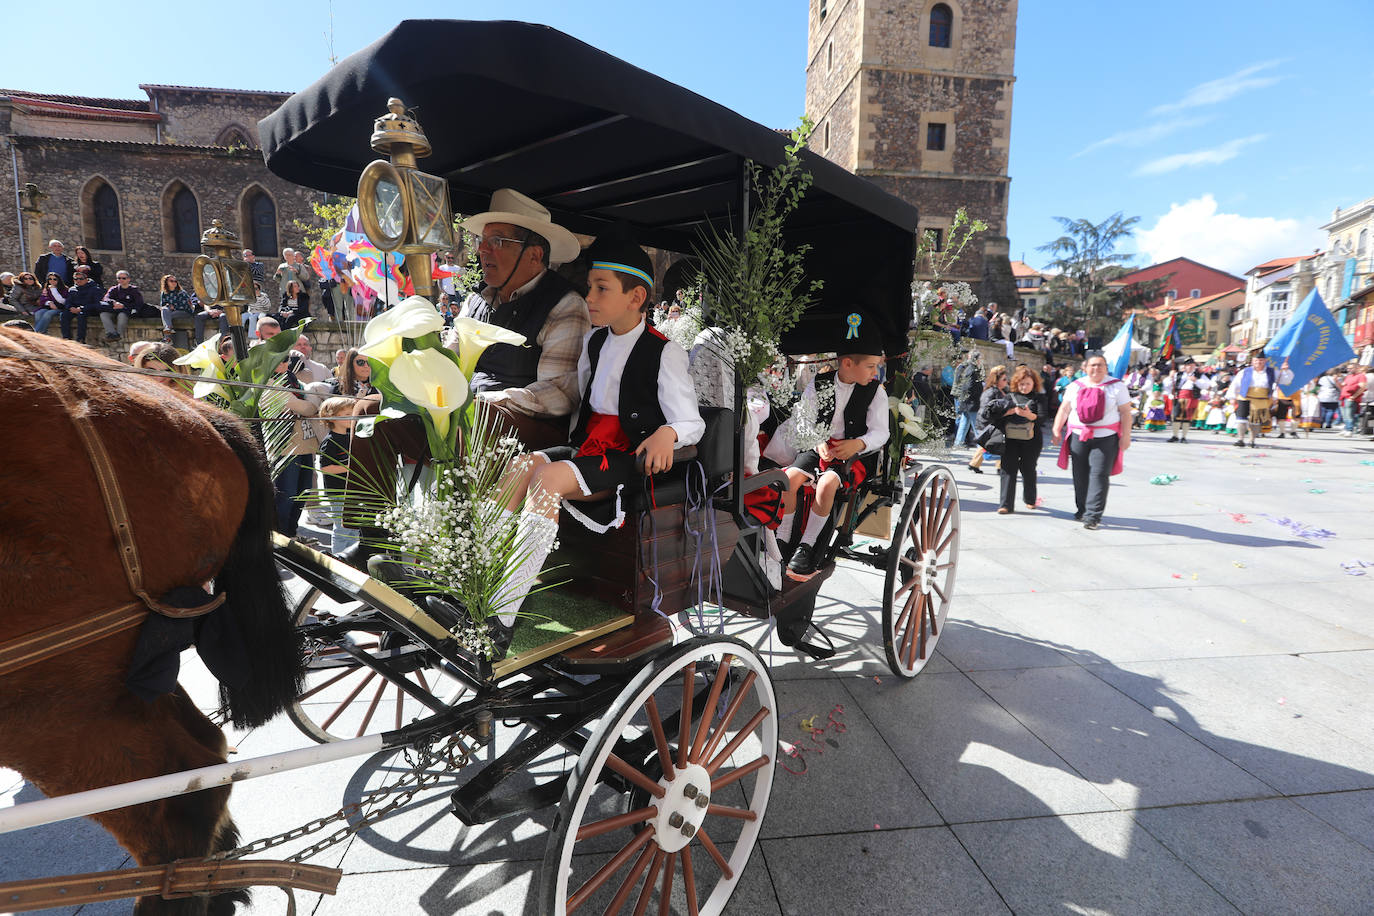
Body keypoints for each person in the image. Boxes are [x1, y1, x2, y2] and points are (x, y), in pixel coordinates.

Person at [491, 228, 702, 652]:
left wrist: (668, 431)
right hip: (587, 447)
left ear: (636, 298)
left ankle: (503, 611)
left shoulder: (664, 352)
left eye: (601, 288)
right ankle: (476, 575)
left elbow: (691, 421)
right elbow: (585, 399)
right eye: (590, 286)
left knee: (548, 479)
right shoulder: (594, 341)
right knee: (518, 466)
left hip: (625, 456)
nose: (589, 296)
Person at [776, 312, 888, 575]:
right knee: (788, 480)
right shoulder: (820, 383)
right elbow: (802, 417)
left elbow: (880, 432)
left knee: (826, 484)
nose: (875, 372)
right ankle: (782, 538)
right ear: (848, 363)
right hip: (819, 448)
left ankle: (807, 545)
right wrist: (817, 441)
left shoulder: (875, 392)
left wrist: (858, 444)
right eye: (871, 366)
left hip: (850, 457)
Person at [1052, 354, 1132, 530]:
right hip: (1078, 436)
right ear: (1085, 368)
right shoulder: (1075, 386)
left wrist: (1126, 436)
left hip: (1106, 438)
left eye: (1100, 365)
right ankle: (1082, 509)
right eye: (1093, 365)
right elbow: (1064, 409)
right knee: (1079, 475)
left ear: (1106, 367)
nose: (1096, 369)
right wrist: (1057, 428)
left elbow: (1126, 412)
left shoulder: (1117, 386)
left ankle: (1093, 516)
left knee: (1099, 475)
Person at [986, 365, 1045, 513]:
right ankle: (1005, 504)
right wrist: (1010, 411)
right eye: (1021, 383)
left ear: (1034, 384)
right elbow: (996, 417)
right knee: (1007, 469)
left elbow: (1043, 418)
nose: (1024, 387)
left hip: (1032, 439)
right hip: (1010, 439)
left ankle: (1030, 499)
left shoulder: (1039, 398)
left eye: (1028, 384)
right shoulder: (1008, 396)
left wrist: (1028, 415)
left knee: (1029, 469)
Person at [315, 396, 361, 556]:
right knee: (342, 529)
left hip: (352, 490)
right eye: (344, 415)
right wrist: (349, 468)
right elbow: (326, 468)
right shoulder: (330, 441)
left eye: (351, 413)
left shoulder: (351, 436)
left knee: (354, 528)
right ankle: (339, 558)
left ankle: (353, 558)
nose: (350, 417)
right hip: (338, 492)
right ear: (331, 417)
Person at [1226, 350, 1291, 448]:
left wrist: (1285, 370)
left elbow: (1286, 381)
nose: (1258, 362)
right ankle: (1240, 439)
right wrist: (1232, 397)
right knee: (1241, 420)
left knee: (1255, 421)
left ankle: (1252, 440)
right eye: (1256, 360)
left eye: (1261, 360)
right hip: (1244, 397)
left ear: (1265, 361)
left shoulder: (1272, 372)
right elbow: (1235, 383)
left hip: (1261, 399)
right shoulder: (1245, 371)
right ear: (1252, 361)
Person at [967, 364, 1009, 475]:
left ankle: (997, 466)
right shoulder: (991, 392)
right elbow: (986, 410)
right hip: (988, 422)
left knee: (997, 442)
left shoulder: (999, 391)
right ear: (997, 380)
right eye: (1004, 379)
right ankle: (976, 464)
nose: (1006, 381)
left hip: (994, 422)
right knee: (989, 443)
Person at [99, 270, 145, 340]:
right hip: (114, 309)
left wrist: (123, 305)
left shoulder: (134, 290)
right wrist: (114, 302)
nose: (121, 280)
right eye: (119, 278)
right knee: (104, 314)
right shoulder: (114, 289)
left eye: (123, 278)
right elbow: (106, 298)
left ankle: (118, 335)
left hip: (126, 311)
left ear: (128, 279)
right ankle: (111, 333)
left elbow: (139, 303)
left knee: (122, 315)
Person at [950, 349, 983, 448]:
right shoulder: (971, 368)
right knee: (975, 424)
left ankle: (958, 443)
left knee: (964, 423)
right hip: (969, 401)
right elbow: (967, 386)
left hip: (965, 401)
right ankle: (981, 446)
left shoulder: (969, 368)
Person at [64, 267, 104, 343]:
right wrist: (70, 307)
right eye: (76, 279)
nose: (78, 281)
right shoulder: (72, 289)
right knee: (64, 315)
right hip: (75, 309)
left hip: (88, 310)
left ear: (86, 279)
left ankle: (80, 339)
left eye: (81, 279)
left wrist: (82, 308)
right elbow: (67, 302)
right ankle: (66, 337)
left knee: (81, 315)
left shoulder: (95, 289)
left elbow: (97, 304)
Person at [158, 274, 194, 341]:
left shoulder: (181, 292)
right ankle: (168, 330)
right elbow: (162, 305)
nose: (174, 282)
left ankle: (167, 337)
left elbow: (185, 306)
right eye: (171, 281)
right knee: (165, 310)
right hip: (170, 312)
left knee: (167, 316)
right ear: (166, 283)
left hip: (184, 312)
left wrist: (173, 307)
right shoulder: (164, 293)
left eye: (175, 281)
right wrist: (168, 306)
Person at [1339, 364, 1369, 437]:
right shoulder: (1348, 376)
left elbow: (1362, 387)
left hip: (1351, 397)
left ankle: (1349, 430)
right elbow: (1343, 385)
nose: (1349, 370)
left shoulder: (1361, 376)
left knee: (1349, 415)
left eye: (1350, 368)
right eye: (1348, 368)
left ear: (1356, 368)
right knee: (1344, 415)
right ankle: (1346, 428)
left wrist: (1354, 396)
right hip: (1343, 397)